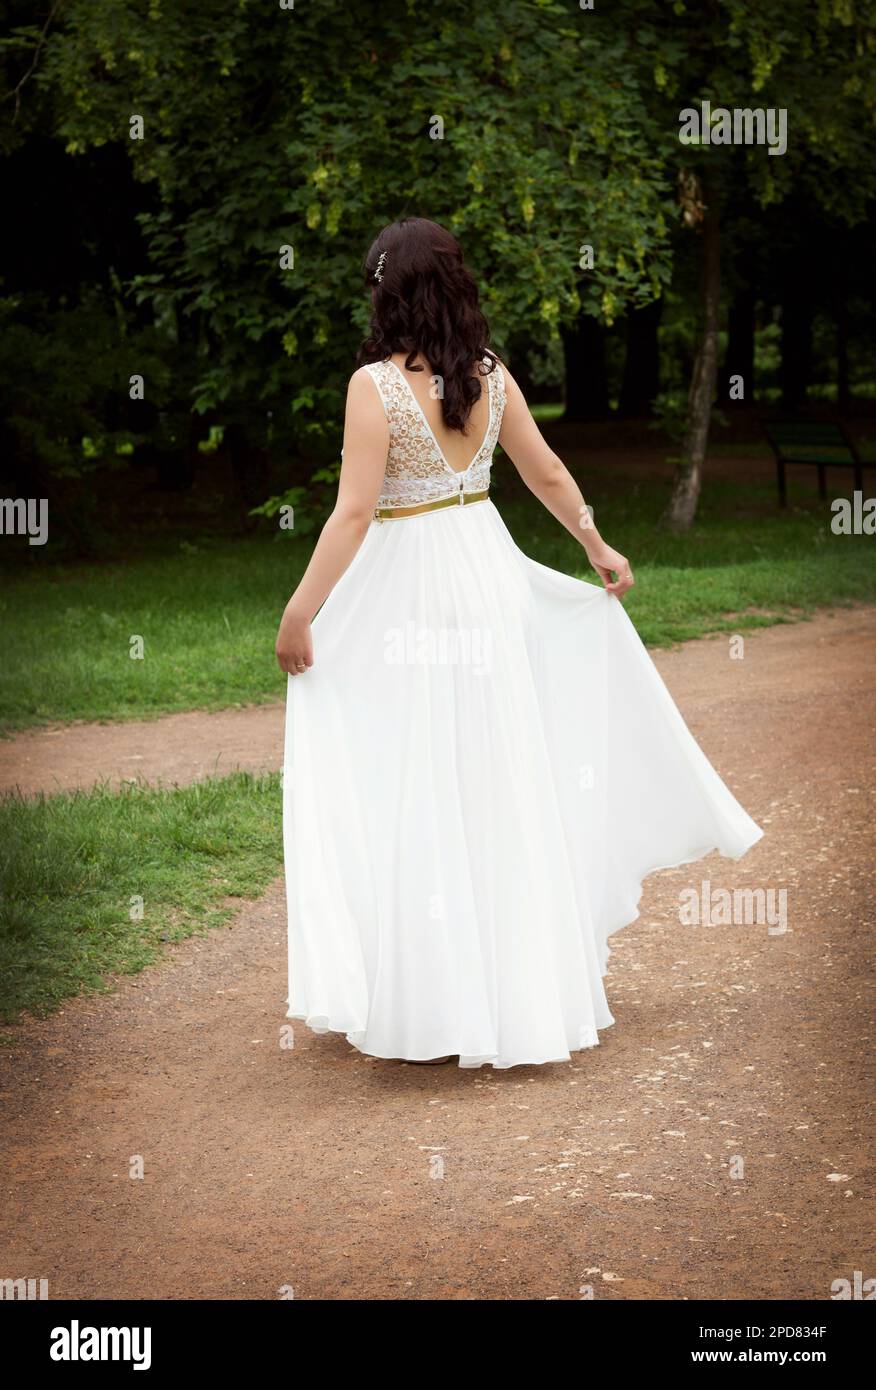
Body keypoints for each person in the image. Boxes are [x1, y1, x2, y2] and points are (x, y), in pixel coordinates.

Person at [275, 217, 762, 1069]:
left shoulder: (374, 386)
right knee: (494, 767)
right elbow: (544, 472)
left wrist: (300, 609)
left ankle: (434, 995)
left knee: (415, 769)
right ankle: (514, 992)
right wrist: (593, 542)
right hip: (485, 573)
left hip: (412, 588)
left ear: (390, 292)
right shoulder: (489, 378)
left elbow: (354, 511)